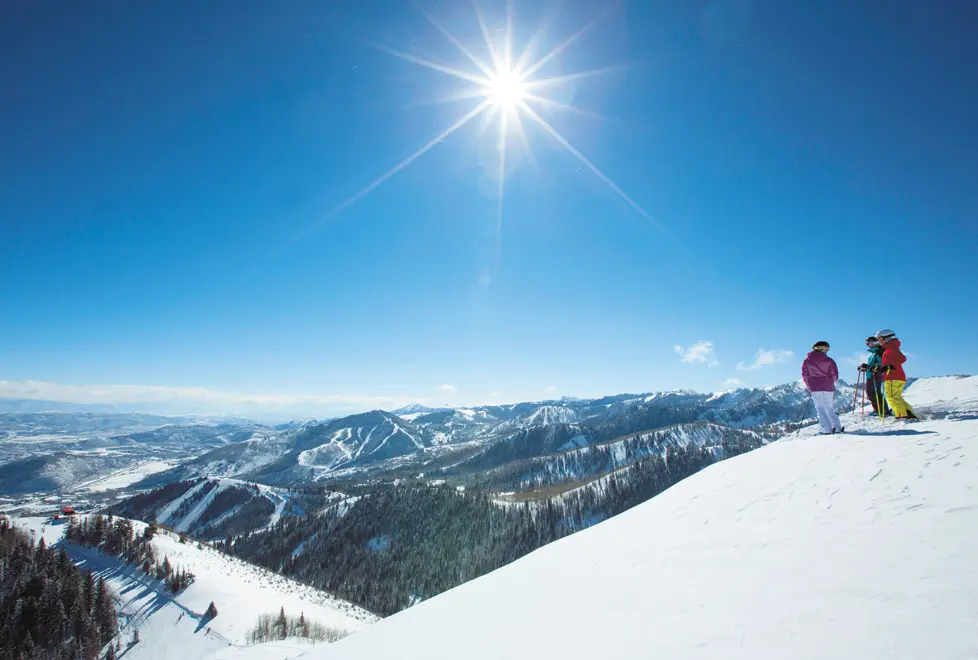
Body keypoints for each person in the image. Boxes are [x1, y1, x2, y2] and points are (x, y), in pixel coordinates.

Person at [802, 341, 843, 434]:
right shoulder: (829, 361)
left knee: (820, 408)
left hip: (815, 387)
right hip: (828, 386)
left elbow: (805, 375)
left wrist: (809, 385)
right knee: (829, 407)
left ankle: (826, 429)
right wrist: (829, 381)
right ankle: (837, 428)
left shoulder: (807, 361)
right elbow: (835, 375)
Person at [876, 329, 918, 420]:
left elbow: (902, 359)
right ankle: (909, 414)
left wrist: (889, 366)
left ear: (887, 338)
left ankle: (901, 416)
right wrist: (882, 367)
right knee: (896, 397)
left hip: (893, 377)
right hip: (896, 376)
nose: (879, 341)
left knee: (892, 397)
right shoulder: (891, 347)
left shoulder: (891, 347)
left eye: (880, 339)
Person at [859, 336, 890, 416]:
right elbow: (872, 365)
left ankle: (881, 411)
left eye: (869, 343)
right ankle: (881, 410)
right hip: (871, 375)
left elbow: (881, 363)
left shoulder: (879, 351)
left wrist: (869, 367)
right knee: (873, 393)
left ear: (875, 342)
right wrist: (865, 367)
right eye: (867, 343)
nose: (868, 345)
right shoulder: (874, 353)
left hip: (875, 375)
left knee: (873, 393)